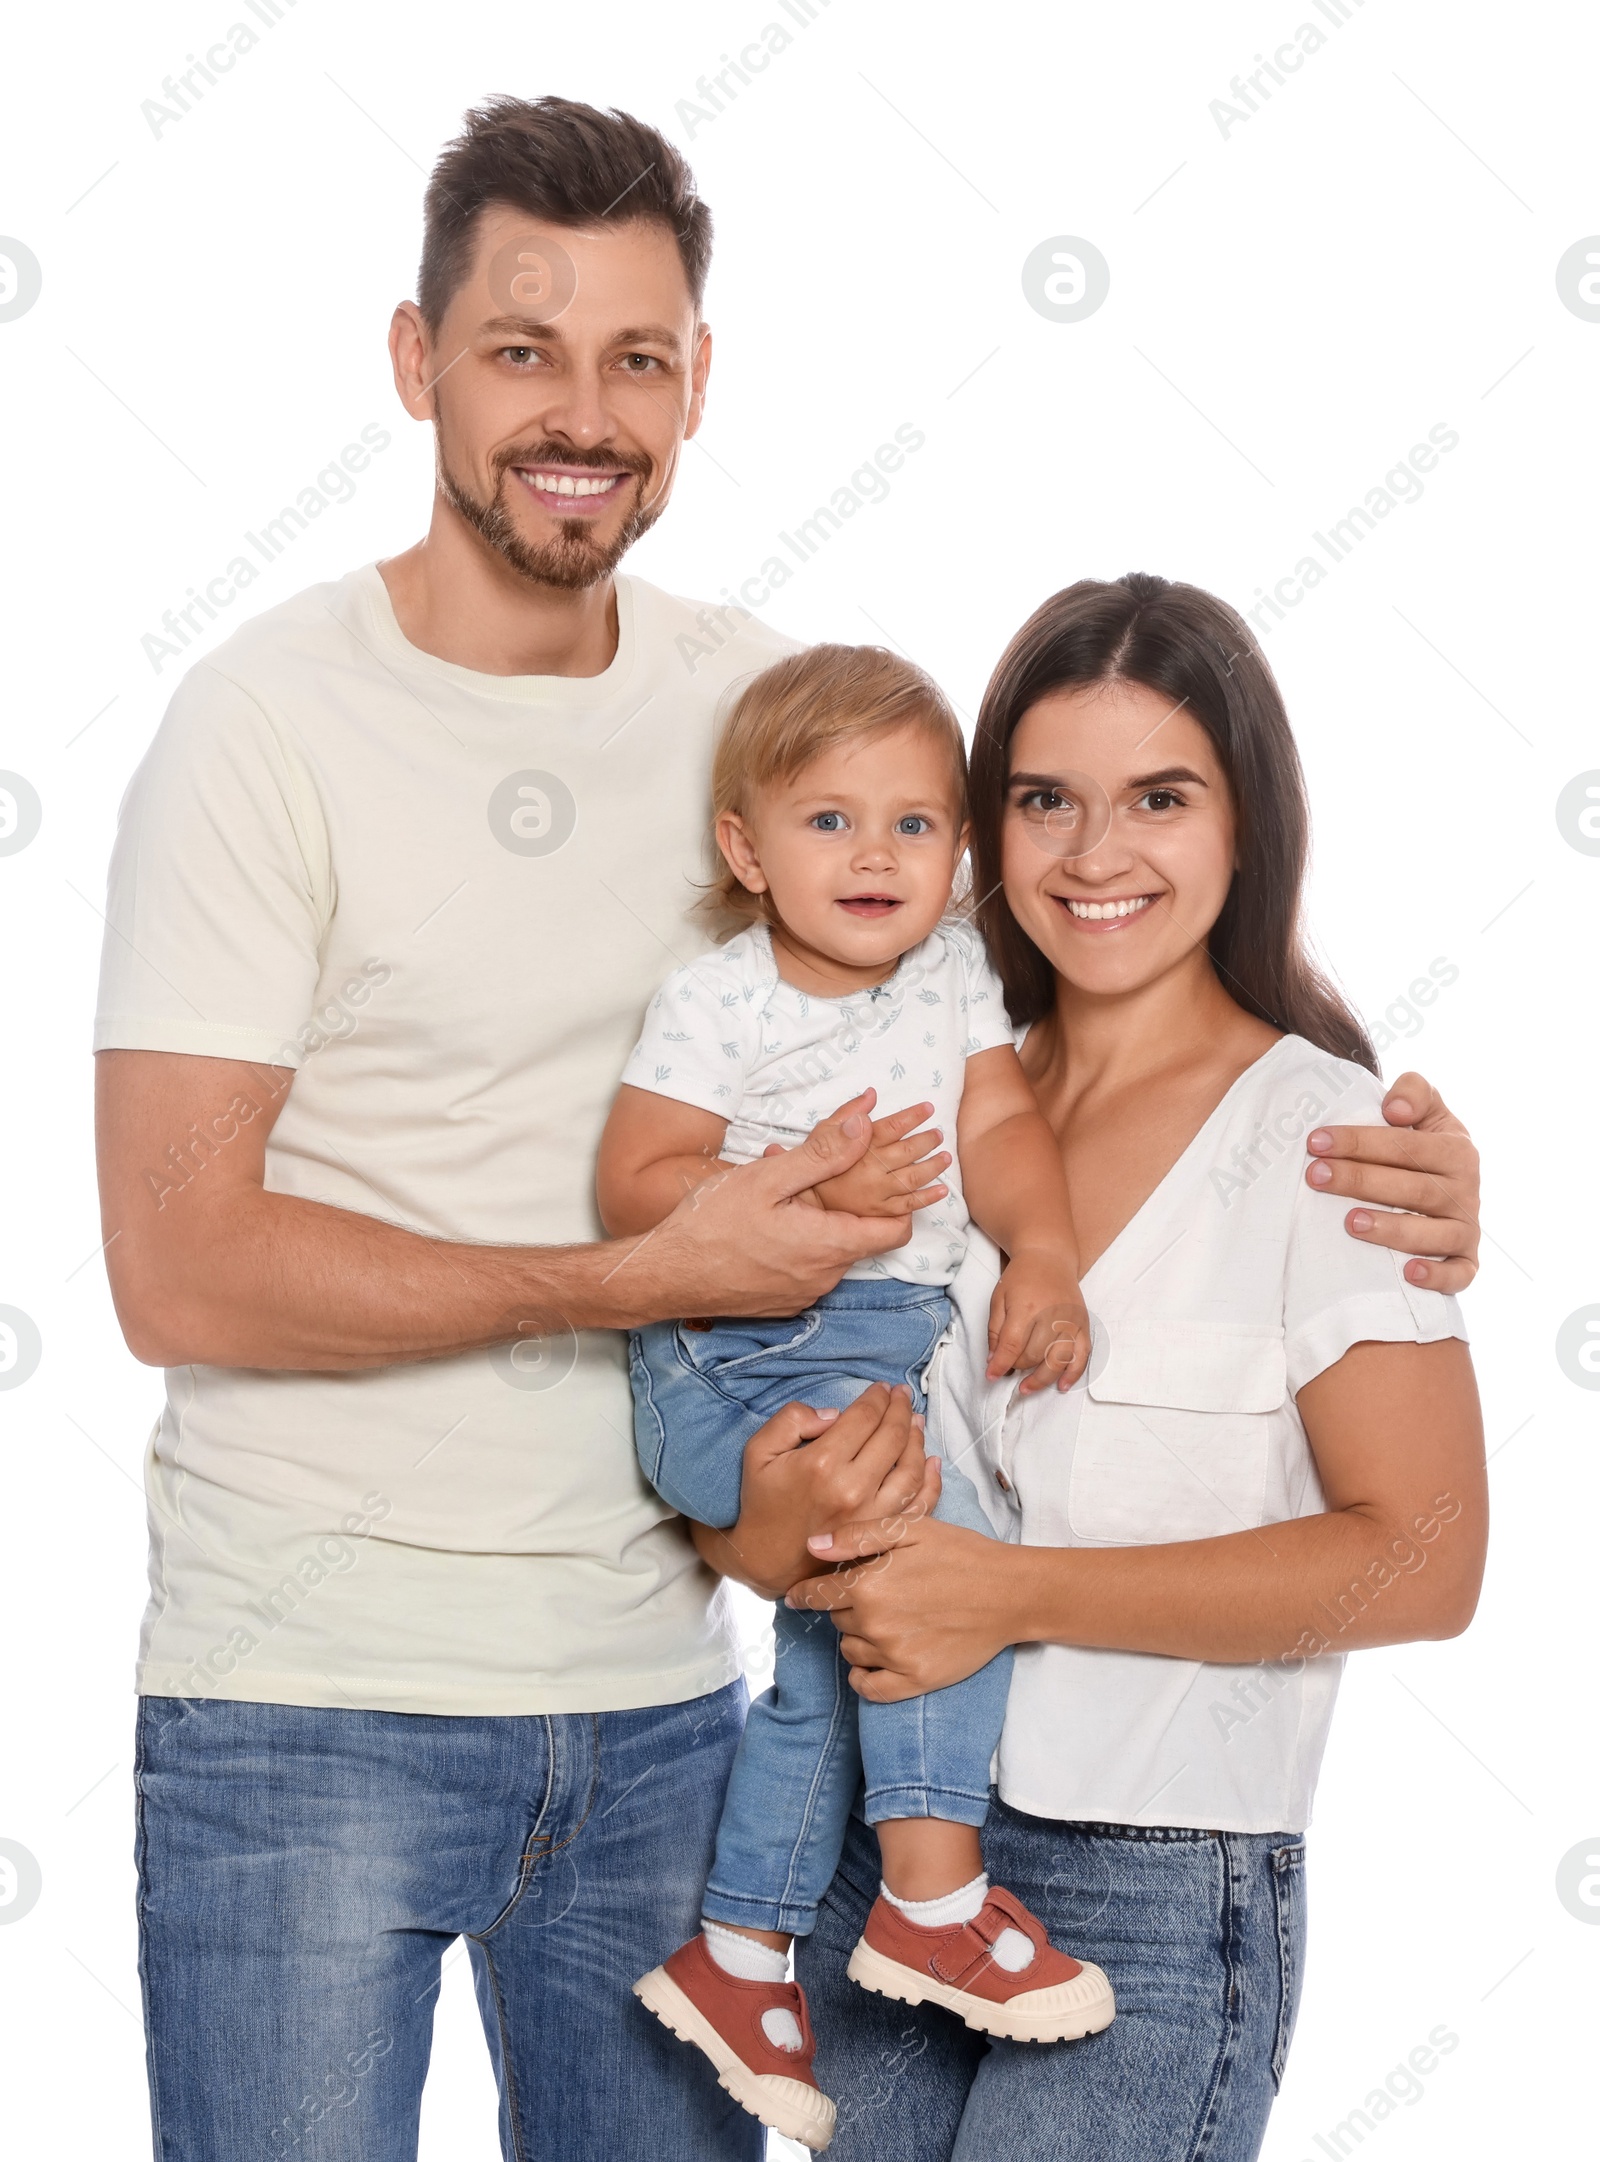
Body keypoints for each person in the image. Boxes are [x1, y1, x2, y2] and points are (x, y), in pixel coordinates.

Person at [91, 88, 1481, 2162]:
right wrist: (648, 1273)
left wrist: (1387, 1141)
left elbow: (1031, 961)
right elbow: (175, 1264)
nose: (582, 410)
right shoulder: (264, 721)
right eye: (520, 349)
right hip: (311, 1699)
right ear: (413, 362)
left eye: (634, 356)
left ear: (696, 383)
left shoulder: (765, 713)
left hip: (671, 1706)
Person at [717, 573, 1483, 2160]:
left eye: (1160, 797)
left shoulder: (1328, 1144)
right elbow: (735, 1402)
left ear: (1245, 822)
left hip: (1153, 1876)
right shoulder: (914, 1091)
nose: (1096, 854)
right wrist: (773, 1517)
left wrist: (1014, 1591)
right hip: (885, 1853)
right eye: (1046, 798)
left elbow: (1425, 1555)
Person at [600, 644, 1110, 2150]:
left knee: (835, 1658)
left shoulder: (952, 968)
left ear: (958, 852)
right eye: (828, 822)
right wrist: (801, 1184)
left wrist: (1052, 1250)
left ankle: (746, 1950)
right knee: (924, 1536)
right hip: (736, 1343)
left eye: (914, 821)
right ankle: (932, 1892)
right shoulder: (721, 998)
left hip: (871, 1341)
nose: (875, 855)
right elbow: (635, 1183)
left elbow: (1003, 1118)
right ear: (745, 851)